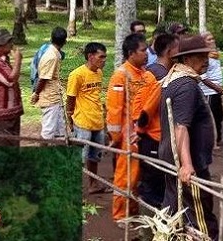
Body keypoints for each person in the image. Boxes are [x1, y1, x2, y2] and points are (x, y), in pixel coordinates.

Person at [159, 35, 219, 240]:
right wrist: (186, 164)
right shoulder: (186, 86)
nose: (206, 60)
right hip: (188, 162)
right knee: (199, 212)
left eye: (206, 55)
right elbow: (181, 127)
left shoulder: (173, 81)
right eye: (200, 56)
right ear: (186, 59)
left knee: (173, 206)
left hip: (171, 156)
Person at [106, 34, 159, 223]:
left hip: (146, 134)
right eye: (143, 50)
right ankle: (121, 215)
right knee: (126, 175)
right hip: (128, 136)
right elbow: (114, 110)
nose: (146, 54)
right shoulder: (120, 76)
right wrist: (115, 137)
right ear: (131, 53)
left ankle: (135, 212)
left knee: (140, 176)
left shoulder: (147, 75)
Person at [137, 33, 179, 208]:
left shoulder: (159, 72)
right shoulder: (158, 76)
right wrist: (139, 132)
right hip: (153, 140)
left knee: (161, 184)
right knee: (152, 187)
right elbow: (145, 111)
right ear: (169, 51)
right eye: (179, 48)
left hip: (162, 139)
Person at [66, 42, 108, 194]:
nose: (104, 60)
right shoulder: (77, 75)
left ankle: (93, 185)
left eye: (105, 57)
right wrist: (69, 119)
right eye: (101, 57)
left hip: (97, 121)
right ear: (90, 56)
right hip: (82, 122)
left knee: (95, 156)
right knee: (79, 158)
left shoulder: (99, 73)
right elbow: (70, 98)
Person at [31, 27, 68, 141]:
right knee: (48, 133)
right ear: (65, 41)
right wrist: (36, 94)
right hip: (49, 99)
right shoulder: (51, 56)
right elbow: (43, 79)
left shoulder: (54, 53)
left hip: (55, 98)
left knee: (60, 131)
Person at [200, 32, 223, 148]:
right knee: (210, 117)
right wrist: (216, 87)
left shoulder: (214, 55)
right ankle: (210, 142)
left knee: (219, 116)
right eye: (209, 39)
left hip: (216, 92)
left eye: (212, 38)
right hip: (209, 92)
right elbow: (202, 76)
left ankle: (218, 138)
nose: (212, 41)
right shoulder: (204, 56)